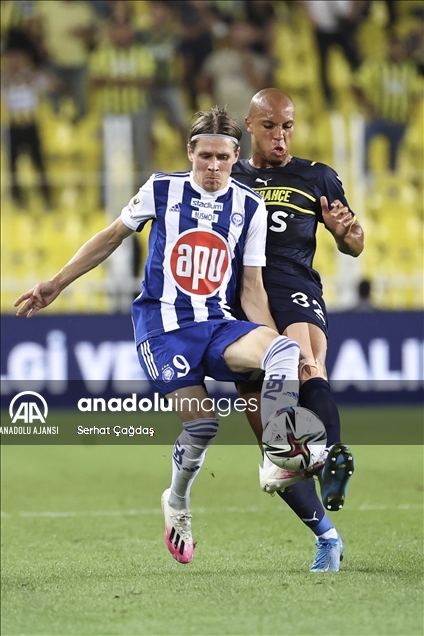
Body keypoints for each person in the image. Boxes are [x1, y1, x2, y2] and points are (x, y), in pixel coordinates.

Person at [15, 106, 308, 566]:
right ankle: (177, 501)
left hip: (218, 324)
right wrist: (57, 282)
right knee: (203, 425)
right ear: (190, 152)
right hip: (164, 328)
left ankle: (277, 453)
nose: (213, 167)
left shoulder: (250, 206)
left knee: (285, 349)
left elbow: (251, 289)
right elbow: (111, 237)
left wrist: (270, 344)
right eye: (205, 156)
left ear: (236, 157)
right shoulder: (162, 189)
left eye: (223, 157)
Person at [232, 88, 364, 572]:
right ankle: (326, 537)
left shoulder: (316, 176)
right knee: (275, 445)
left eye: (287, 126)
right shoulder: (230, 176)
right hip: (242, 296)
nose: (280, 136)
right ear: (250, 126)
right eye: (270, 126)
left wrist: (346, 233)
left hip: (292, 284)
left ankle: (332, 457)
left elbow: (355, 243)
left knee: (308, 362)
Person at [352, 36, 423, 173]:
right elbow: (356, 85)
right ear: (388, 48)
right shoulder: (376, 66)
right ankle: (365, 173)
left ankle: (392, 179)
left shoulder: (410, 70)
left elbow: (418, 93)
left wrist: (412, 115)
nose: (398, 51)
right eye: (394, 47)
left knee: (395, 155)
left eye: (400, 48)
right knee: (366, 140)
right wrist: (368, 107)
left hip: (399, 122)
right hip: (378, 119)